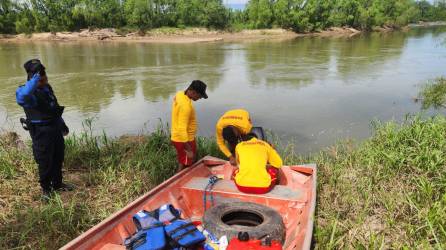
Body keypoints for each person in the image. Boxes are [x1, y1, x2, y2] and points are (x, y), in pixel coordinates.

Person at [16, 59, 73, 200]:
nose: (44, 80)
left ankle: (58, 184)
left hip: (54, 127)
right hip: (41, 132)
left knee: (58, 157)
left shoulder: (47, 88)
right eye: (40, 79)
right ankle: (46, 190)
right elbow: (22, 97)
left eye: (45, 77)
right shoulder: (27, 93)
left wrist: (62, 125)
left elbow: (54, 109)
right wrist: (34, 80)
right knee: (45, 161)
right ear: (32, 79)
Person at [171, 80, 208, 171]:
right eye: (199, 96)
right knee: (188, 163)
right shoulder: (185, 107)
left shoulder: (180, 94)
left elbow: (175, 98)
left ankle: (178, 178)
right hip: (184, 139)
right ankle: (179, 181)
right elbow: (182, 128)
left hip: (179, 137)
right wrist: (189, 149)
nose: (200, 98)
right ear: (193, 92)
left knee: (183, 159)